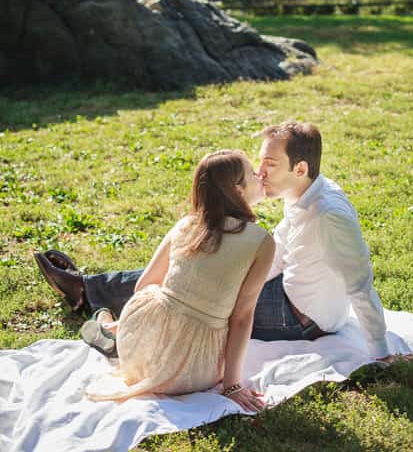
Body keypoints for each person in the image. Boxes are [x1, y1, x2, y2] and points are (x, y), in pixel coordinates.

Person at [34, 121, 392, 359]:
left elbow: (359, 282)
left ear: (300, 169)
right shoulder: (303, 193)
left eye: (269, 163)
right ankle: (89, 289)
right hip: (289, 291)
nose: (260, 172)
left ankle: (89, 293)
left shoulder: (329, 213)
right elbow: (283, 252)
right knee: (193, 271)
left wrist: (381, 350)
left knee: (191, 281)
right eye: (260, 161)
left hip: (300, 318)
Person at [83, 150, 274, 412]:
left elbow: (143, 286)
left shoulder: (187, 223)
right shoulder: (261, 242)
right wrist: (231, 385)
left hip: (139, 351)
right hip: (197, 370)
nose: (260, 175)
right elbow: (241, 318)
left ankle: (113, 329)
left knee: (153, 308)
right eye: (253, 173)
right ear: (237, 190)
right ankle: (111, 329)